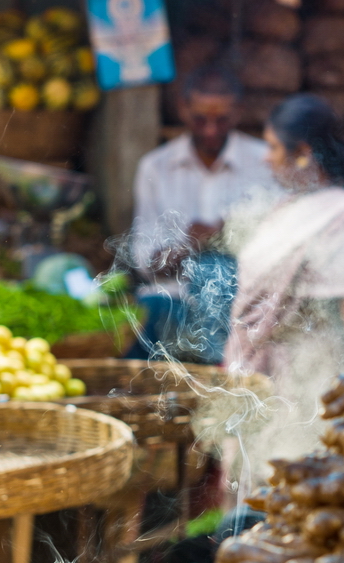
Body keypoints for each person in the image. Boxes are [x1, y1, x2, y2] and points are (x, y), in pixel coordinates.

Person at [224, 94, 344, 458]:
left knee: (294, 479)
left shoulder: (342, 215)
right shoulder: (287, 208)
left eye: (273, 146)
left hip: (308, 379)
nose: (266, 157)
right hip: (263, 377)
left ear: (304, 153)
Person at [130, 65, 276, 364]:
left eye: (221, 120)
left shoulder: (265, 162)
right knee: (151, 315)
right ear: (183, 109)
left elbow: (279, 248)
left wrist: (232, 235)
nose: (210, 130)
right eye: (200, 119)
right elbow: (145, 264)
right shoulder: (156, 167)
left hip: (241, 301)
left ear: (238, 112)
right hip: (174, 301)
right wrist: (188, 245)